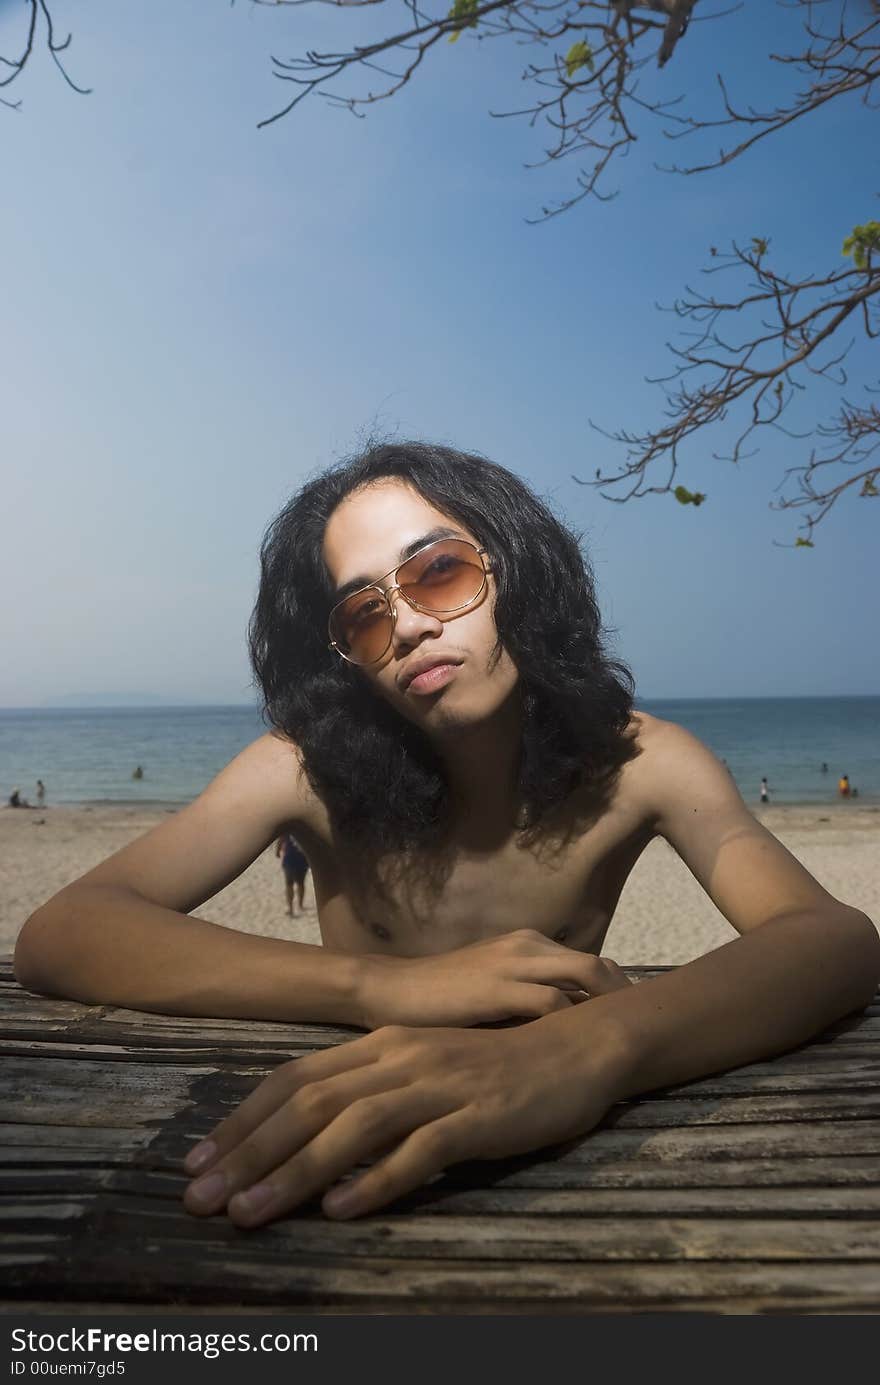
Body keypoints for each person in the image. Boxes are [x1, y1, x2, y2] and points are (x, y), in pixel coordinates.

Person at [15, 441, 879, 1231]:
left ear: (520, 571)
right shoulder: (301, 769)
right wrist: (383, 984)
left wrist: (591, 1048)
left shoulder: (645, 762)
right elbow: (64, 932)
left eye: (435, 572)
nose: (411, 627)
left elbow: (829, 938)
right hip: (342, 1184)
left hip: (568, 1196)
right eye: (363, 613)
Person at [275, 833, 310, 917]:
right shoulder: (303, 826)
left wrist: (277, 851)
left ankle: (292, 908)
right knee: (299, 883)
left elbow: (281, 838)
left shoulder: (288, 826)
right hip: (300, 858)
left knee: (290, 884)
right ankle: (299, 905)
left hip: (291, 858)